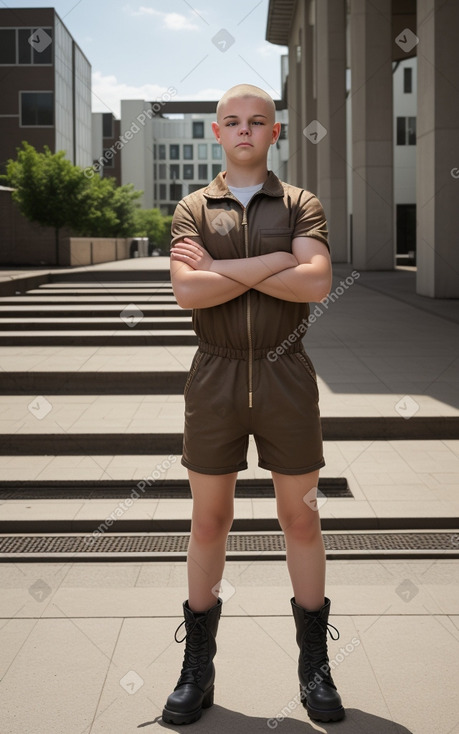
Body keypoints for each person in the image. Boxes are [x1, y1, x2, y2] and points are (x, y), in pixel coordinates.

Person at [162, 83, 345, 726]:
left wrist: (227, 265)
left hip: (285, 372)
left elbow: (316, 281)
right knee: (209, 523)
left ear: (274, 132)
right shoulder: (193, 205)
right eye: (232, 122)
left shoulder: (300, 203)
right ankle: (198, 670)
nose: (244, 131)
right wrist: (276, 265)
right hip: (213, 377)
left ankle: (314, 669)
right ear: (217, 132)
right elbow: (189, 294)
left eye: (257, 121)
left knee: (302, 521)